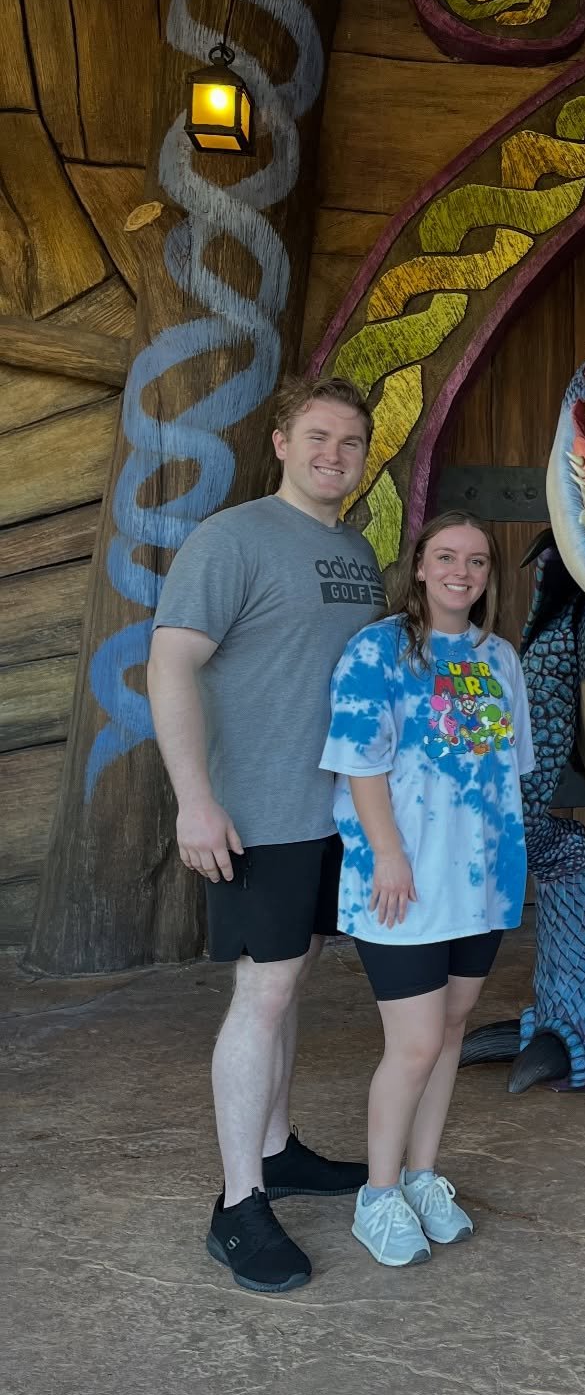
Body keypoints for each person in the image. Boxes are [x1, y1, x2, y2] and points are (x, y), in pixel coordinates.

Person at [149, 375, 387, 1295]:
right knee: (265, 988)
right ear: (282, 442)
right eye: (318, 437)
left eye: (351, 444)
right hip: (257, 809)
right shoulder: (233, 537)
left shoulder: (359, 552)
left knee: (291, 982)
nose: (335, 455)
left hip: (334, 810)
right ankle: (238, 1203)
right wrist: (193, 799)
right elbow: (171, 664)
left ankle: (279, 1150)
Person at [320, 513, 533, 1268]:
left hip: (480, 883)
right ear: (417, 566)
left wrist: (508, 869)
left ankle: (421, 1175)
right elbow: (359, 761)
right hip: (402, 884)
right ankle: (376, 1196)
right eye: (446, 556)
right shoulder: (377, 651)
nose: (461, 572)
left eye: (476, 560)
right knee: (411, 1044)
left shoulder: (499, 657)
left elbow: (510, 769)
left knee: (450, 1030)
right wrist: (387, 854)